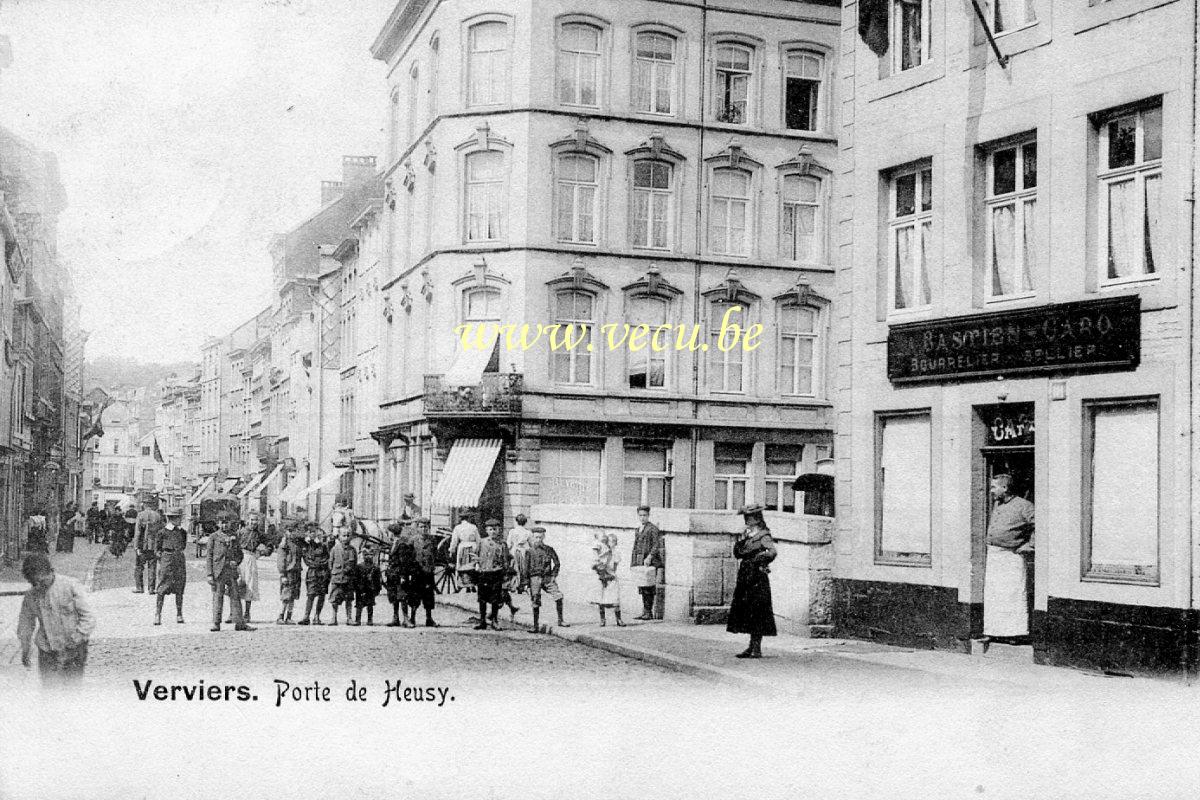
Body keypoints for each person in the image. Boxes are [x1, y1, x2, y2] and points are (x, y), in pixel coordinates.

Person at [16, 553, 96, 684]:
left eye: (41, 581)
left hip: (74, 648)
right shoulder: (31, 596)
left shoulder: (70, 586)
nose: (38, 586)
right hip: (47, 650)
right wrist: (25, 648)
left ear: (50, 572)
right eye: (34, 582)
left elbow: (88, 617)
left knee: (72, 690)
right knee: (49, 691)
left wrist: (77, 638)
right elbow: (25, 624)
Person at [983, 474, 1035, 645]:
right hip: (994, 555)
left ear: (1004, 488)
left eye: (993, 487)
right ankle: (994, 631)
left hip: (1011, 557)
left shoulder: (1024, 506)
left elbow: (1040, 524)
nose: (991, 491)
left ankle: (1015, 633)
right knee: (995, 595)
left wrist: (1031, 545)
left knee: (1012, 594)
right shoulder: (998, 505)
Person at [727, 504, 777, 659]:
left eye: (748, 518)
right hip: (745, 576)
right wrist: (741, 541)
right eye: (745, 517)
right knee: (747, 610)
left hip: (757, 576)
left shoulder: (763, 535)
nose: (746, 520)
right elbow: (738, 553)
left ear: (756, 519)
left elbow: (772, 552)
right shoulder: (747, 535)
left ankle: (757, 647)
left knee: (757, 611)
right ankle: (751, 646)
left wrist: (759, 559)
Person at [206, 512, 255, 632]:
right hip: (218, 571)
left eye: (226, 523)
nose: (224, 526)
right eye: (222, 523)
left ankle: (239, 623)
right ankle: (216, 623)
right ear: (218, 524)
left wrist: (236, 562)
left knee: (235, 597)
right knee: (218, 597)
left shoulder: (234, 536)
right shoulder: (213, 537)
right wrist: (209, 574)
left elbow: (240, 554)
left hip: (231, 571)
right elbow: (209, 556)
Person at [517, 525, 569, 633]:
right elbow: (525, 568)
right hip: (534, 578)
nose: (538, 540)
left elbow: (557, 563)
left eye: (540, 537)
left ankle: (561, 620)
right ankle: (535, 626)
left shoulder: (549, 550)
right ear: (532, 537)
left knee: (558, 596)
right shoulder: (529, 551)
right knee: (535, 601)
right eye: (536, 537)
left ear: (543, 537)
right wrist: (525, 583)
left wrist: (554, 575)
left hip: (547, 578)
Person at [472, 519, 511, 631]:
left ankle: (494, 620)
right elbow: (476, 556)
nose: (493, 532)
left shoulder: (502, 544)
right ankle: (482, 621)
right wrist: (477, 564)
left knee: (495, 599)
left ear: (499, 530)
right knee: (482, 599)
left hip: (496, 573)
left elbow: (505, 560)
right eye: (490, 529)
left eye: (495, 529)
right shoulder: (482, 542)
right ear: (486, 530)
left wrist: (505, 575)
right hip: (484, 573)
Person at [229, 513, 266, 623]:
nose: (254, 522)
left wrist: (263, 552)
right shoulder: (240, 532)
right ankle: (233, 613)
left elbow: (270, 544)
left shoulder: (259, 534)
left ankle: (247, 613)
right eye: (252, 520)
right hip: (240, 558)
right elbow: (233, 545)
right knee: (236, 584)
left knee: (249, 585)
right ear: (247, 520)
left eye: (256, 520)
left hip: (251, 559)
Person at [153, 507, 188, 625]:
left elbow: (183, 546)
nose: (180, 520)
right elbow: (157, 550)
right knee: (162, 587)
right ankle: (157, 615)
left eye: (180, 517)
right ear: (172, 519)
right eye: (178, 518)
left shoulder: (182, 532)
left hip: (179, 560)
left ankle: (179, 614)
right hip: (167, 561)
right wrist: (163, 559)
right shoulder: (162, 532)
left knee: (179, 587)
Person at [630, 505, 664, 620]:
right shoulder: (638, 528)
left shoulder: (653, 528)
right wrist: (634, 561)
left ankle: (649, 612)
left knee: (649, 586)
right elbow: (635, 546)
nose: (642, 518)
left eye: (645, 515)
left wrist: (649, 556)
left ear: (648, 516)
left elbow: (656, 545)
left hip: (649, 561)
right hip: (640, 560)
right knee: (642, 586)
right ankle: (645, 611)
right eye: (640, 515)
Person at [385, 521, 417, 627]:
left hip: (399, 575)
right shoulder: (393, 544)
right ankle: (395, 618)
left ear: (392, 533)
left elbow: (404, 562)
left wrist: (403, 576)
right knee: (394, 597)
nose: (387, 535)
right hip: (392, 575)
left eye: (388, 532)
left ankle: (406, 619)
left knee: (402, 597)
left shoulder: (402, 545)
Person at [298, 526, 331, 625]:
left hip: (323, 573)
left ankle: (317, 617)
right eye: (310, 532)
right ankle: (306, 617)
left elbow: (327, 558)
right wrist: (317, 564)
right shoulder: (305, 546)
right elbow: (306, 560)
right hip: (312, 573)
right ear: (307, 534)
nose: (312, 534)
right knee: (310, 595)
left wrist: (321, 564)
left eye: (314, 532)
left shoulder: (322, 546)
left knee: (321, 595)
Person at [409, 518, 439, 627]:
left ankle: (429, 618)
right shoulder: (413, 540)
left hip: (428, 572)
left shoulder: (432, 540)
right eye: (421, 527)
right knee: (415, 595)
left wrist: (431, 566)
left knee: (428, 595)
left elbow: (435, 554)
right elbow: (409, 556)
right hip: (417, 572)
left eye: (426, 527)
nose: (423, 529)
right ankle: (412, 618)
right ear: (417, 528)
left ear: (429, 528)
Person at [591, 533, 624, 627]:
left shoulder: (616, 553)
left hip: (611, 577)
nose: (611, 543)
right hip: (602, 577)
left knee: (615, 599)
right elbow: (595, 563)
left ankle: (619, 619)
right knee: (601, 599)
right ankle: (602, 619)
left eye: (614, 541)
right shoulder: (602, 552)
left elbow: (615, 567)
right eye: (609, 541)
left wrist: (610, 574)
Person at [276, 522, 305, 624]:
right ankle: (280, 616)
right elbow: (281, 559)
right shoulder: (284, 544)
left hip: (296, 571)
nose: (292, 533)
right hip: (288, 572)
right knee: (286, 595)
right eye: (290, 531)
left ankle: (289, 616)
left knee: (293, 595)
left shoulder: (298, 543)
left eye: (294, 531)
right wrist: (282, 574)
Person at [327, 529, 357, 626]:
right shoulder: (335, 549)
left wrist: (349, 571)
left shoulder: (352, 550)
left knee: (349, 599)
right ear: (339, 537)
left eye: (348, 535)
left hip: (348, 578)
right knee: (335, 599)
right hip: (337, 578)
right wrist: (334, 573)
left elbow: (354, 563)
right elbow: (330, 563)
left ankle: (349, 618)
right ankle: (333, 618)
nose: (346, 538)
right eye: (343, 535)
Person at [133, 501, 163, 594]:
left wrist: (136, 546)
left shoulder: (140, 515)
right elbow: (161, 531)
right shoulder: (158, 516)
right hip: (153, 546)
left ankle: (139, 587)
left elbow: (137, 532)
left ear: (145, 505)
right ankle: (151, 589)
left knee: (139, 567)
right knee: (152, 567)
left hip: (142, 545)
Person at [449, 511, 481, 593]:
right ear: (469, 518)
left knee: (463, 566)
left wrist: (451, 551)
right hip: (473, 547)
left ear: (461, 519)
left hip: (463, 548)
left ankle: (465, 583)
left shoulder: (457, 528)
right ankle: (472, 583)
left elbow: (454, 541)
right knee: (472, 566)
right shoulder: (473, 527)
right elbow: (478, 540)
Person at [354, 543, 383, 626]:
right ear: (363, 555)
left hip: (371, 588)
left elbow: (378, 580)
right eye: (366, 555)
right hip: (361, 588)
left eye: (370, 555)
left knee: (370, 604)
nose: (368, 556)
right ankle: (357, 619)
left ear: (373, 555)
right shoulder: (359, 566)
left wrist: (377, 589)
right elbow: (355, 579)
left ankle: (370, 620)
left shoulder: (375, 567)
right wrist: (357, 588)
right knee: (359, 604)